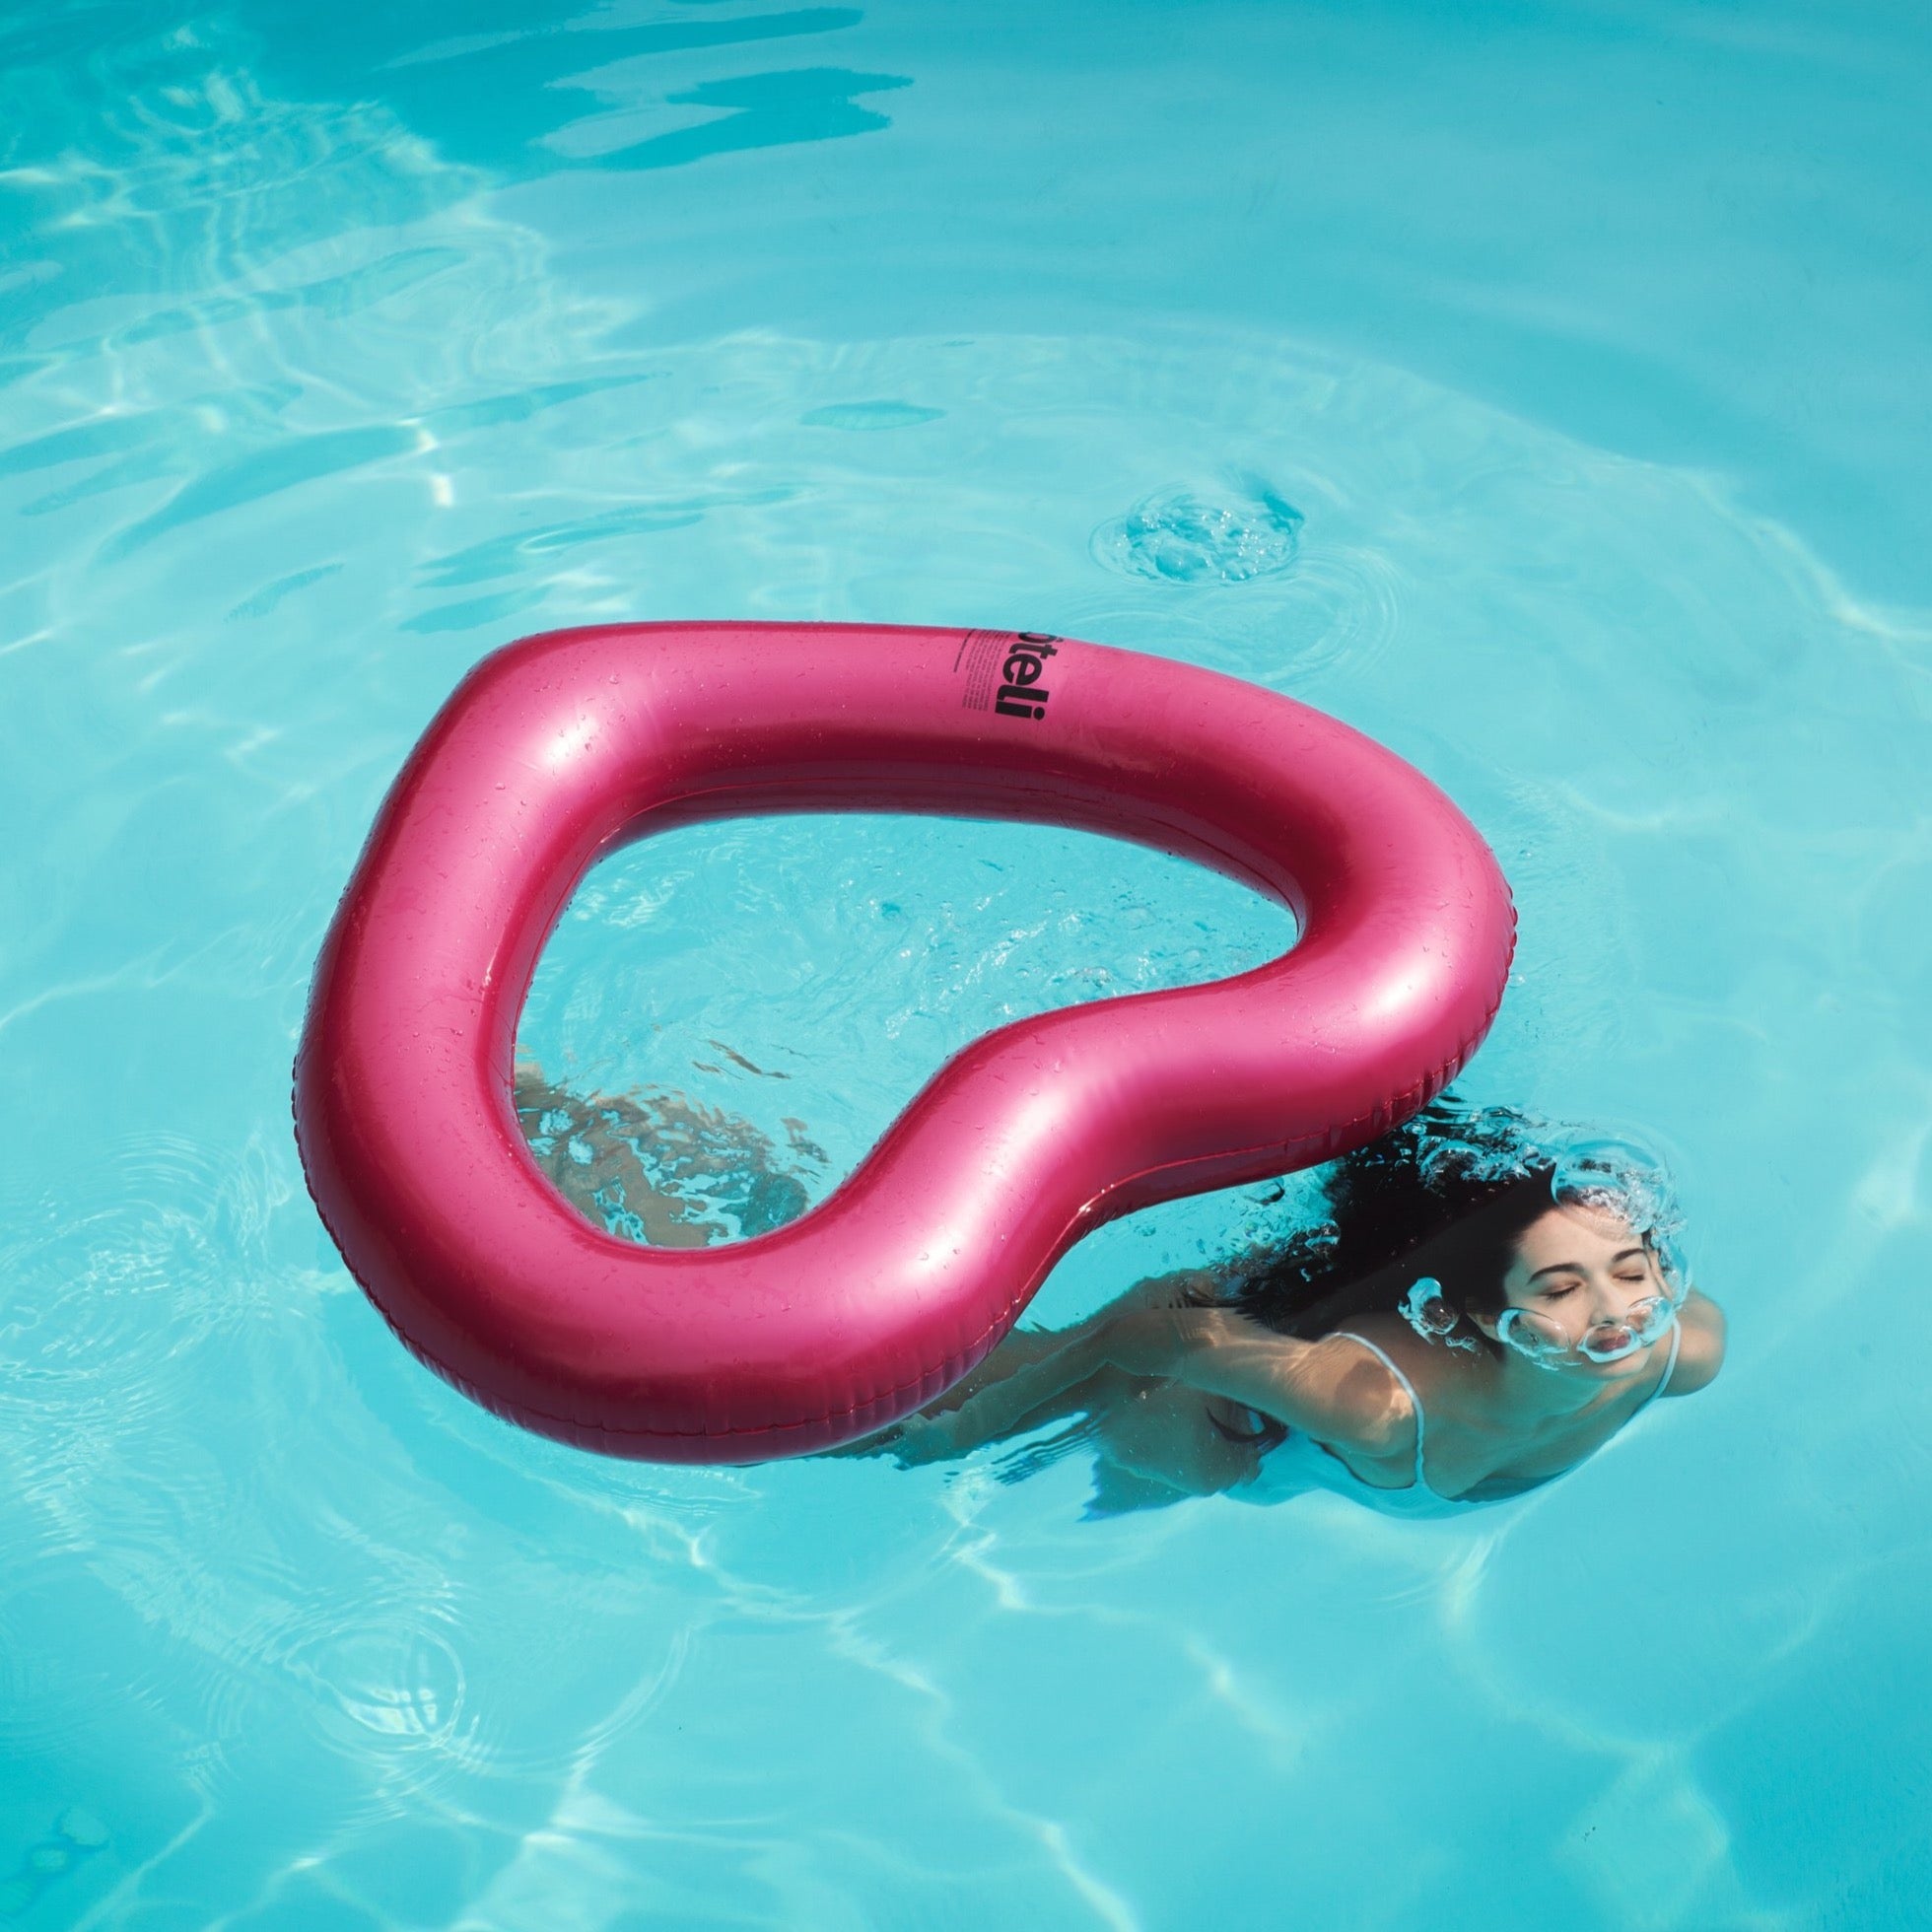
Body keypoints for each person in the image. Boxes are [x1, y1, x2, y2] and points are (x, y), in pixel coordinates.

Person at [514, 1068, 1724, 1516]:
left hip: (1268, 1401)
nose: (1619, 1309)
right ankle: (605, 1128)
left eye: (1632, 1267)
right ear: (1462, 1312)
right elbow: (1156, 1328)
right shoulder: (1381, 1405)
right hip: (1210, 1370)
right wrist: (982, 1424)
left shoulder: (1683, 1346)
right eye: (1560, 1288)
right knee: (872, 1420)